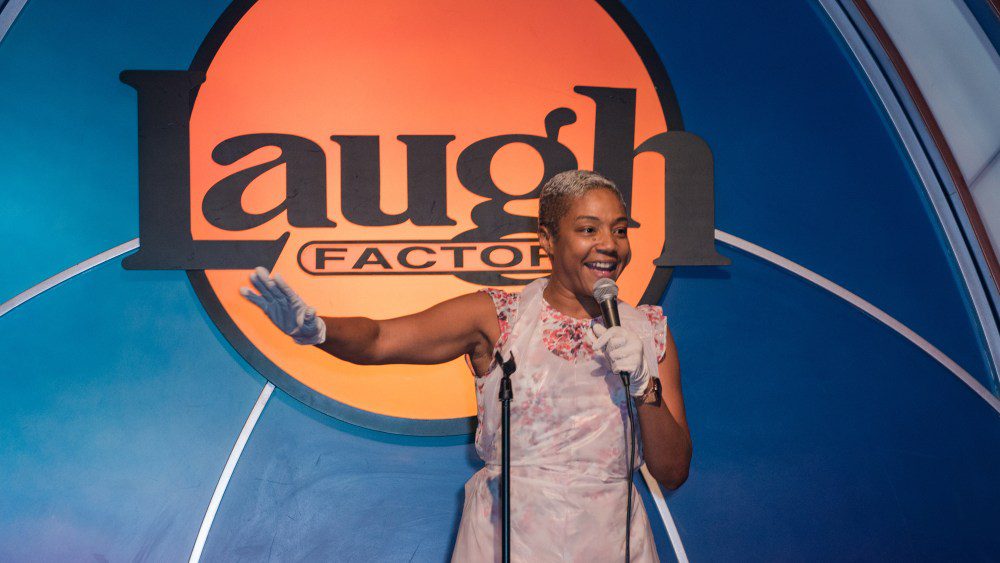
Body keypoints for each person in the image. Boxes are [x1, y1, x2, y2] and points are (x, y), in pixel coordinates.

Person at [240, 170, 692, 562]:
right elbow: (381, 338)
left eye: (619, 230)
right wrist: (317, 329)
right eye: (589, 230)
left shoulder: (648, 329)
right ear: (548, 239)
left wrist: (642, 385)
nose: (608, 246)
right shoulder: (497, 316)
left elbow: (672, 471)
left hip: (613, 543)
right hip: (508, 540)